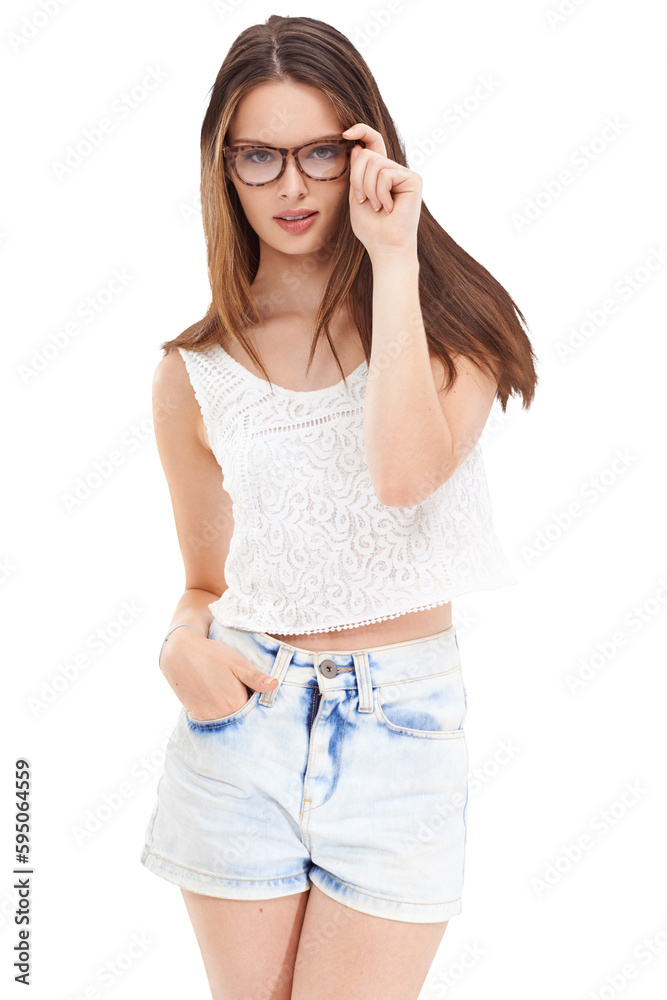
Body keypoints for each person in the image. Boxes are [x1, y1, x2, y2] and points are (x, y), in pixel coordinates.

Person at [140, 14, 538, 1000]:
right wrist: (178, 644)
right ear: (222, 168)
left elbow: (404, 475)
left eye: (318, 151)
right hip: (246, 718)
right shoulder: (192, 374)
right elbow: (205, 580)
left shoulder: (454, 328)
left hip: (400, 731)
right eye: (259, 157)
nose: (290, 185)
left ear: (365, 146)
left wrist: (394, 260)